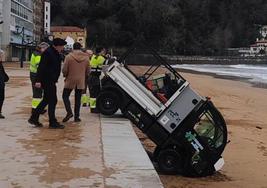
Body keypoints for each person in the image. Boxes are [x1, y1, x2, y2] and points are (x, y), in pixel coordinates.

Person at [28, 38, 67, 129]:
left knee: (46, 100)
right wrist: (38, 80)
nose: (62, 48)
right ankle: (52, 122)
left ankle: (34, 118)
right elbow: (41, 67)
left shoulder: (54, 52)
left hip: (51, 80)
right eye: (62, 46)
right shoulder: (48, 53)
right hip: (47, 80)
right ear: (57, 46)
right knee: (53, 100)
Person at [62, 42, 90, 122]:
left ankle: (69, 112)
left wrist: (65, 75)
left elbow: (64, 69)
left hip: (70, 79)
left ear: (73, 48)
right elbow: (88, 70)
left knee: (65, 96)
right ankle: (77, 117)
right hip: (81, 80)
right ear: (80, 48)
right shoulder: (86, 57)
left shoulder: (68, 57)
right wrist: (84, 76)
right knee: (78, 99)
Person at [30, 42, 49, 114]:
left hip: (34, 75)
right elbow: (39, 67)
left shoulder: (36, 53)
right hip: (36, 76)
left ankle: (38, 108)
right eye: (46, 49)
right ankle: (35, 109)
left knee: (38, 92)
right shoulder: (38, 55)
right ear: (42, 48)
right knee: (37, 93)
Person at [88, 47, 106, 113]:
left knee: (92, 93)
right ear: (100, 51)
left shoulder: (94, 56)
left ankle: (92, 108)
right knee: (95, 93)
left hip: (91, 77)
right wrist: (114, 59)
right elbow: (107, 62)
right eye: (103, 51)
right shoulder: (100, 58)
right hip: (95, 78)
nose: (104, 53)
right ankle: (94, 109)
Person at [0, 49, 8, 119]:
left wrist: (6, 78)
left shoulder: (1, 64)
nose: (3, 57)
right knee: (1, 98)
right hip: (0, 85)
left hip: (1, 84)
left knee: (1, 98)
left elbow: (3, 74)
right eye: (2, 56)